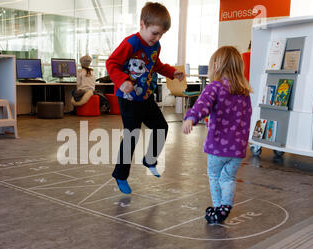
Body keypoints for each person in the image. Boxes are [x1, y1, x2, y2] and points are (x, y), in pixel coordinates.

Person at [106, 2, 185, 194]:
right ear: (142, 24)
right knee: (132, 135)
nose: (157, 38)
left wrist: (172, 72)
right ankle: (120, 175)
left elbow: (156, 64)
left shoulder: (155, 45)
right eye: (155, 33)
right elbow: (112, 63)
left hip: (146, 97)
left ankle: (149, 159)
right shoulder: (131, 43)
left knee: (162, 127)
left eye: (161, 35)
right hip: (129, 99)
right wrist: (122, 80)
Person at [182, 46, 252, 224]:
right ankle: (226, 206)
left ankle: (218, 207)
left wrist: (191, 117)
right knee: (228, 177)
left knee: (214, 176)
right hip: (237, 148)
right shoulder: (244, 92)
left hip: (217, 147)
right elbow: (247, 117)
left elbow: (202, 105)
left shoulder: (215, 87)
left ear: (216, 65)